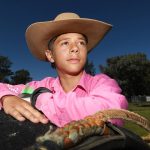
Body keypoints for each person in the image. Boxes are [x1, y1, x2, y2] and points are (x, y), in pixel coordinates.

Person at [0, 12, 128, 127]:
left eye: (81, 43)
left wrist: (38, 98)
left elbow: (110, 112)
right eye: (65, 43)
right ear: (50, 55)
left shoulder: (102, 83)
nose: (75, 48)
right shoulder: (41, 85)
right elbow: (7, 88)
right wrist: (6, 98)